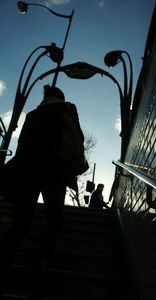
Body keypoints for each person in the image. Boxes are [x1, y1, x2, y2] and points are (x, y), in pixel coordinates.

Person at [0, 85, 85, 295]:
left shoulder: (32, 115)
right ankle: (37, 264)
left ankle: (3, 263)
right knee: (54, 221)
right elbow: (78, 138)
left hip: (28, 173)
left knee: (21, 223)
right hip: (55, 173)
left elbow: (22, 147)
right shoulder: (68, 108)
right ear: (61, 97)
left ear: (46, 98)